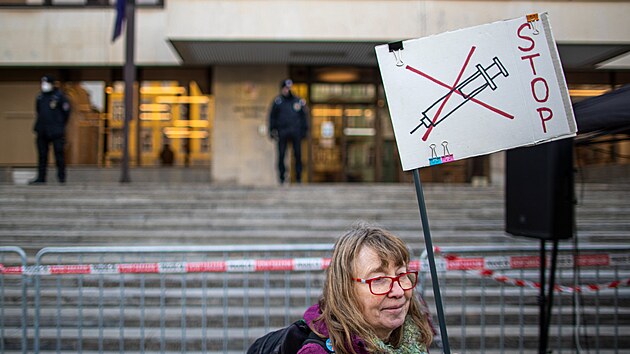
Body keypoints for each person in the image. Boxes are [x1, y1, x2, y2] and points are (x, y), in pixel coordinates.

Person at [298, 223, 434, 354]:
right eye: (379, 279)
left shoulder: (415, 337)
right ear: (345, 289)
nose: (398, 291)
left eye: (401, 274)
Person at [29, 75, 71, 185]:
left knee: (59, 155)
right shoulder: (40, 97)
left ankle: (61, 178)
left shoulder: (60, 97)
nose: (44, 85)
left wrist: (59, 125)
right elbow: (38, 111)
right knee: (42, 155)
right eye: (43, 83)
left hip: (56, 131)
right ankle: (41, 178)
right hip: (42, 130)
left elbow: (66, 113)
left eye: (46, 83)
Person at [268, 79, 309, 184]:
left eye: (289, 88)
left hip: (296, 132)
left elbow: (304, 117)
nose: (287, 90)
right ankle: (282, 177)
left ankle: (298, 177)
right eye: (285, 88)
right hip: (282, 131)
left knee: (298, 155)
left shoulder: (298, 101)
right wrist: (272, 130)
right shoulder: (278, 101)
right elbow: (272, 117)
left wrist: (304, 131)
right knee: (281, 155)